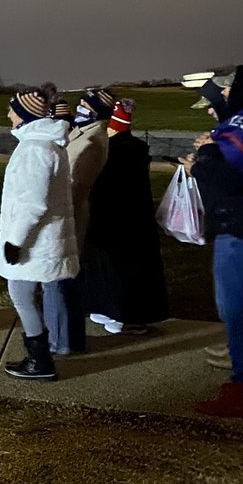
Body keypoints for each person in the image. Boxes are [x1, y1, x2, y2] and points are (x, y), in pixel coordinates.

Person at [187, 64, 243, 419]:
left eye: (217, 98)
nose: (209, 107)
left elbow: (227, 179)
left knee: (239, 310)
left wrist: (201, 160)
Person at [0, 84, 78, 382]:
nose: (8, 114)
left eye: (12, 109)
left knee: (20, 294)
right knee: (24, 294)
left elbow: (33, 202)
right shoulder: (47, 144)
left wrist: (14, 241)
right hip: (41, 240)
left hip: (33, 242)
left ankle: (39, 359)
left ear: (23, 115)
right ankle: (39, 355)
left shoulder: (35, 149)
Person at [82, 99, 169, 335]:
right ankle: (116, 310)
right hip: (132, 221)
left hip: (113, 219)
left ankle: (119, 313)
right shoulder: (132, 149)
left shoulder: (114, 152)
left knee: (115, 269)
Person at [45, 88, 115, 355]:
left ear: (96, 110)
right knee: (67, 279)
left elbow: (75, 186)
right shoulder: (85, 132)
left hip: (70, 216)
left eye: (86, 104)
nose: (81, 106)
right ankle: (68, 336)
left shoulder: (91, 141)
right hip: (70, 212)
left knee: (62, 279)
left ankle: (63, 340)